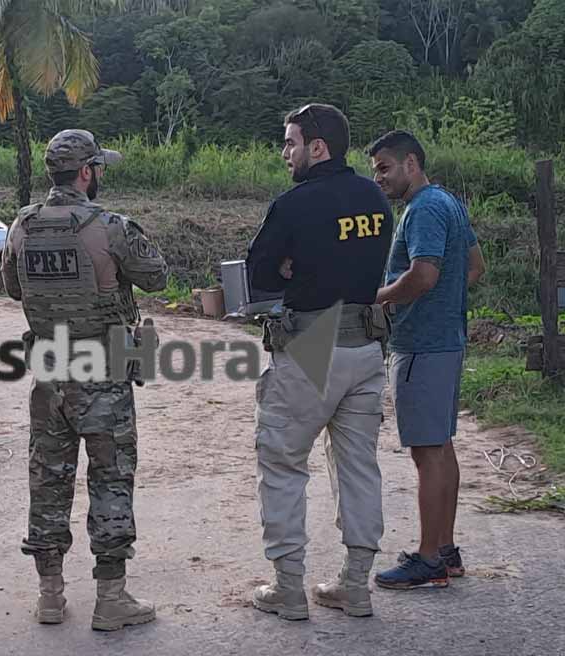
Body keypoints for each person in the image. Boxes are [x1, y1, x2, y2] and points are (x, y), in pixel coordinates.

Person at [2, 129, 170, 631]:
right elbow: (158, 275)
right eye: (99, 168)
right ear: (87, 172)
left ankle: (50, 596)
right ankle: (111, 599)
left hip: (50, 374)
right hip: (103, 373)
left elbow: (12, 288)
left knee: (48, 481)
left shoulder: (22, 226)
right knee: (111, 480)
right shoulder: (110, 226)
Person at [245, 103, 394, 620]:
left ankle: (288, 588)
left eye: (290, 143)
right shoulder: (375, 197)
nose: (285, 153)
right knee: (359, 468)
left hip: (312, 345)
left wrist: (291, 269)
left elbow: (258, 275)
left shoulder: (294, 205)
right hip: (367, 348)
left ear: (317, 147)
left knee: (283, 464)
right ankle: (356, 586)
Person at [368, 130, 486, 590]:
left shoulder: (423, 209)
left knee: (426, 452)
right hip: (446, 341)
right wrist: (444, 301)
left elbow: (422, 274)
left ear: (411, 164)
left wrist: (377, 299)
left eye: (385, 168)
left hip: (423, 346)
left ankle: (428, 556)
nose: (379, 178)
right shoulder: (449, 203)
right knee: (441, 446)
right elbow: (475, 266)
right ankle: (446, 549)